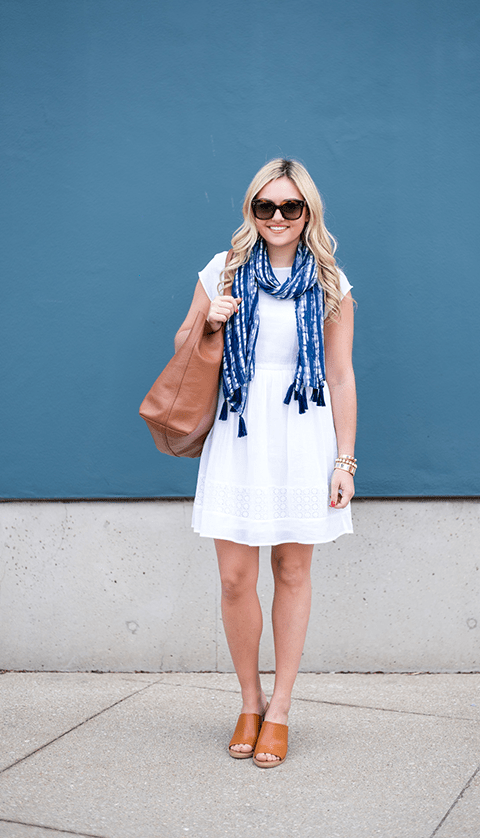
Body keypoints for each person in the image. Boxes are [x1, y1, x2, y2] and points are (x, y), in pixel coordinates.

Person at [175, 159, 356, 768]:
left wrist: (344, 462)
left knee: (293, 571)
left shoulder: (331, 283)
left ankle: (279, 709)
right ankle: (248, 701)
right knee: (233, 578)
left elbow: (340, 375)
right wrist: (211, 319)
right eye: (265, 207)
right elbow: (182, 346)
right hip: (240, 429)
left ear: (309, 212)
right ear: (251, 210)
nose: (277, 218)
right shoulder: (222, 271)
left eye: (290, 208)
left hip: (303, 432)